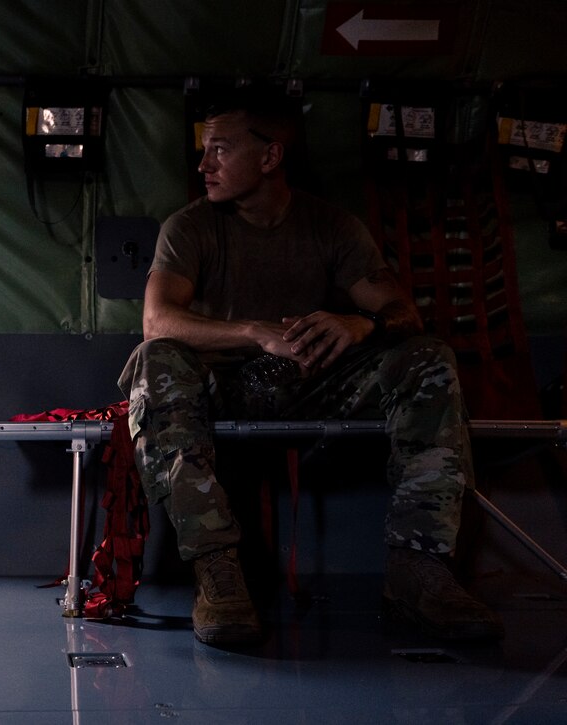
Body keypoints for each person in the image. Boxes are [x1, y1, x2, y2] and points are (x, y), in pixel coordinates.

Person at [117, 86, 503, 646]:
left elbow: (402, 312)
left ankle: (419, 570)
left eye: (220, 150)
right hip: (220, 387)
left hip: (312, 383)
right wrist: (253, 330)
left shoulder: (333, 228)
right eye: (204, 150)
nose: (203, 164)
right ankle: (217, 569)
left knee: (427, 359)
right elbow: (157, 321)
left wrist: (359, 325)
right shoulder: (190, 227)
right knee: (156, 359)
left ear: (271, 157)